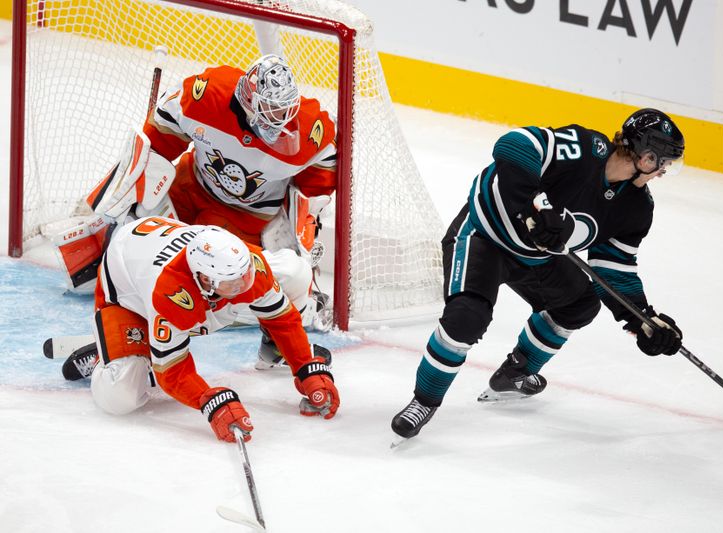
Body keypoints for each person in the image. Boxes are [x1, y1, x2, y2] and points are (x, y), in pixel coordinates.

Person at [390, 108, 685, 442]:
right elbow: (514, 145)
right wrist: (535, 206)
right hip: (483, 235)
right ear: (646, 157)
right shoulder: (586, 149)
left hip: (535, 257)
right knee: (466, 317)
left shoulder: (636, 208)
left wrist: (643, 319)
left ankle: (515, 373)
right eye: (663, 163)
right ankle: (424, 401)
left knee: (579, 304)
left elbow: (614, 268)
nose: (662, 172)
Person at [54, 54, 336, 349]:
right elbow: (157, 140)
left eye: (284, 111)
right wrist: (127, 197)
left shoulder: (310, 129)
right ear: (248, 102)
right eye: (270, 110)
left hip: (243, 225)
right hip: (186, 194)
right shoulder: (207, 94)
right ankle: (113, 259)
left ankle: (164, 314)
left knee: (237, 276)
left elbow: (315, 188)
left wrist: (302, 226)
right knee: (138, 214)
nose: (279, 121)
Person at [60, 216, 340, 443]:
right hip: (129, 293)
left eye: (246, 276)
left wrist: (304, 365)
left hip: (168, 249)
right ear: (203, 279)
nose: (244, 286)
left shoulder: (247, 268)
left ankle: (274, 350)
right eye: (234, 283)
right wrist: (210, 401)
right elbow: (171, 371)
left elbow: (283, 318)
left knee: (296, 272)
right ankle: (109, 357)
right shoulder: (170, 293)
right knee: (120, 396)